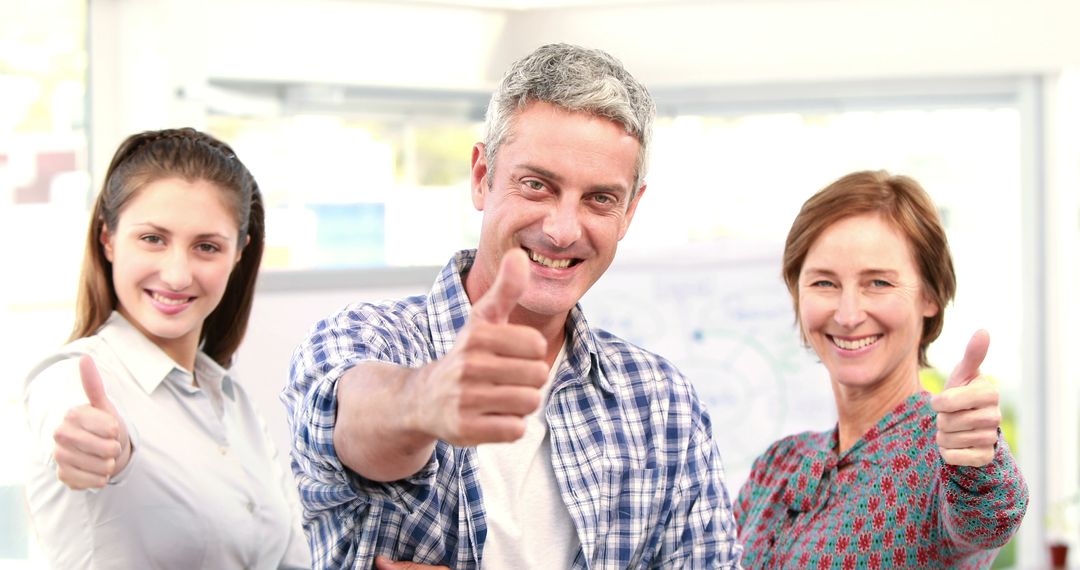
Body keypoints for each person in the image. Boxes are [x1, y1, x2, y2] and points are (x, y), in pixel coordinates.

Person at [283, 43, 743, 569]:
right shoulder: (366, 339)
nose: (563, 229)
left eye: (600, 199)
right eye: (536, 185)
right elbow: (357, 420)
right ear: (482, 177)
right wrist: (423, 400)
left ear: (630, 210)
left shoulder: (663, 405)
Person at [23, 128, 310, 569]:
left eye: (207, 247)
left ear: (238, 253)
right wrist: (105, 450)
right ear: (108, 239)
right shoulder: (71, 378)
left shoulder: (234, 403)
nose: (177, 275)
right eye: (153, 239)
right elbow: (73, 424)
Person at [735, 170, 1028, 568]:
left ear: (930, 296)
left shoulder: (946, 450)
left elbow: (990, 517)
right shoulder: (778, 465)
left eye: (878, 283)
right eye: (824, 283)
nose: (849, 314)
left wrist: (976, 454)